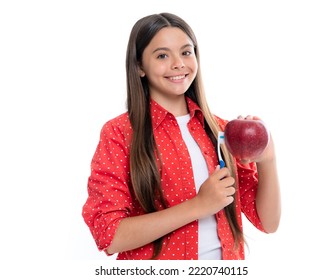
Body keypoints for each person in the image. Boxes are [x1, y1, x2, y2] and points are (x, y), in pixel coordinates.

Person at [82, 12, 281, 260]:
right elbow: (109, 235)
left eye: (186, 52)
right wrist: (198, 206)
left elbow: (268, 223)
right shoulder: (119, 133)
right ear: (140, 66)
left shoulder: (222, 131)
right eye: (163, 55)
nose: (178, 63)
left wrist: (268, 161)